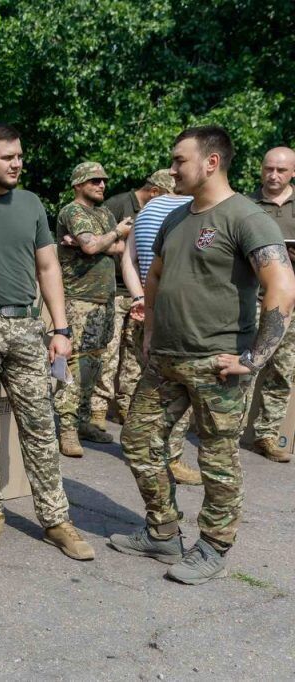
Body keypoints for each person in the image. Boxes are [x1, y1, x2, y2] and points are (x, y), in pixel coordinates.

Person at [110, 126, 295, 584]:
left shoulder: (247, 218)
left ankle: (213, 545)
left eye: (179, 160)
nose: (173, 168)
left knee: (217, 460)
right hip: (166, 359)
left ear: (211, 162)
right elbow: (154, 275)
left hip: (218, 364)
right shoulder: (176, 216)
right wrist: (151, 331)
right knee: (137, 443)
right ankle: (163, 531)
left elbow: (282, 287)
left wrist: (253, 358)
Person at [0, 123, 93, 560]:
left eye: (20, 155)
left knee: (41, 424)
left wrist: (61, 330)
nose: (17, 163)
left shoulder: (31, 204)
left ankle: (56, 520)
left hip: (28, 326)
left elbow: (48, 268)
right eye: (7, 157)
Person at [120, 189, 202, 486]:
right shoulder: (193, 209)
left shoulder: (147, 211)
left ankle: (146, 448)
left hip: (145, 309)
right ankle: (170, 458)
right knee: (178, 392)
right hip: (176, 319)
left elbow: (128, 260)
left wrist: (139, 296)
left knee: (145, 388)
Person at [53, 162, 133, 456]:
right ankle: (67, 427)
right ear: (78, 184)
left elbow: (118, 249)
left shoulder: (104, 214)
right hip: (79, 300)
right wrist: (107, 238)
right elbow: (91, 247)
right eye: (94, 180)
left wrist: (99, 241)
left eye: (103, 180)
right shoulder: (73, 211)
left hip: (104, 300)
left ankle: (83, 420)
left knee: (96, 364)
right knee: (76, 364)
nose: (101, 185)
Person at [92, 170, 175, 428]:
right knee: (107, 351)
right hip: (115, 290)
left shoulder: (160, 212)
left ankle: (126, 405)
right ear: (153, 192)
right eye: (165, 198)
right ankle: (98, 408)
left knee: (135, 352)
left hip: (143, 290)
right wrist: (122, 238)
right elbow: (95, 243)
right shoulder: (117, 204)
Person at [245, 147, 295, 463]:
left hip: (289, 304)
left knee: (282, 371)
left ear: (293, 173)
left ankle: (266, 434)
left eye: (281, 170)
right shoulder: (245, 205)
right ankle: (229, 431)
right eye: (268, 169)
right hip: (251, 299)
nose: (273, 176)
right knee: (244, 365)